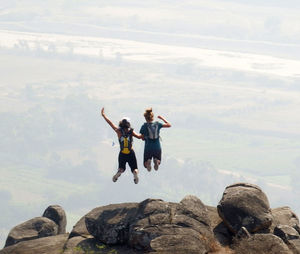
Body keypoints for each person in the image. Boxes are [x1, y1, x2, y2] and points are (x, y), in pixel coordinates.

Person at [101, 107, 142, 184]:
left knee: (121, 168)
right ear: (128, 124)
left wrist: (104, 115)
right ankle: (135, 173)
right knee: (134, 168)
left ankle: (119, 172)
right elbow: (140, 137)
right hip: (131, 152)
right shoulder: (131, 132)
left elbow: (110, 123)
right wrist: (145, 135)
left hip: (122, 153)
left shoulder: (118, 131)